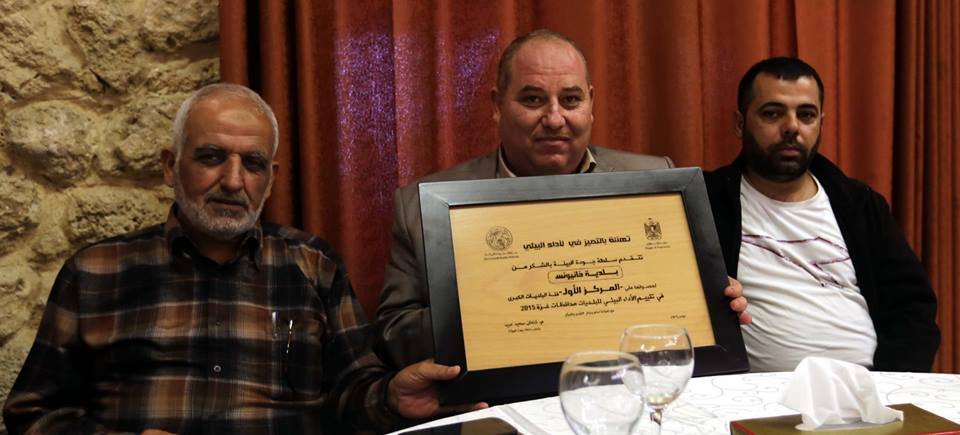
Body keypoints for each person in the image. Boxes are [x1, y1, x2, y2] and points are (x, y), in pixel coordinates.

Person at [2, 84, 482, 435]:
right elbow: (31, 414)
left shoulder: (312, 265)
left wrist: (391, 397)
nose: (233, 181)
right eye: (212, 157)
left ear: (270, 178)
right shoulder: (96, 272)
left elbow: (353, 393)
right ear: (171, 165)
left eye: (252, 164)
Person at [375, 29, 751, 369]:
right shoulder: (422, 208)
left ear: (591, 103)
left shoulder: (656, 180)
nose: (554, 119)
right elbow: (394, 337)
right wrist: (492, 304)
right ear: (497, 105)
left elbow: (676, 302)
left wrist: (711, 298)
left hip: (626, 393)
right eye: (533, 99)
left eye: (570, 100)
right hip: (500, 404)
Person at [705, 57, 940, 372]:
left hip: (867, 386)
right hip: (759, 393)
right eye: (772, 113)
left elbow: (913, 309)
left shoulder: (860, 204)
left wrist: (889, 386)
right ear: (739, 123)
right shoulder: (706, 203)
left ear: (820, 124)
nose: (792, 127)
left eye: (806, 115)